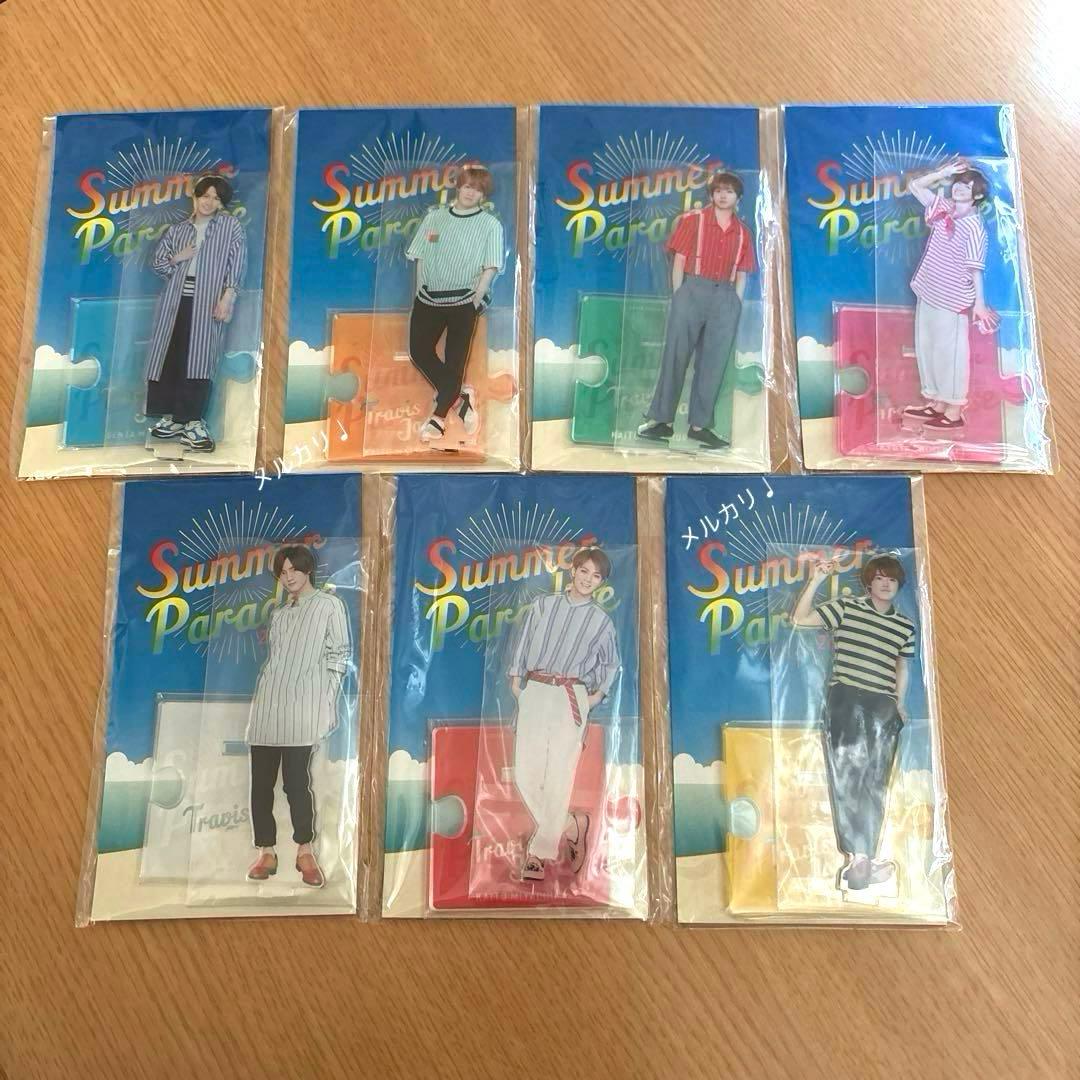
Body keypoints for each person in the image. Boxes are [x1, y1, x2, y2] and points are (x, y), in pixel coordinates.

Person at [791, 553, 917, 892]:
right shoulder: (847, 608)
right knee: (847, 773)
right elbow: (800, 619)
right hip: (846, 696)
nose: (885, 584)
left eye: (891, 579)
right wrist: (816, 579)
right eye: (879, 578)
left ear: (899, 584)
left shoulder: (904, 626)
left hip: (883, 703)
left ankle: (864, 858)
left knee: (876, 778)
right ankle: (859, 858)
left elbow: (902, 666)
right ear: (868, 583)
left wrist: (899, 703)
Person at [506, 546, 620, 882]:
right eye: (584, 571)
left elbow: (610, 664)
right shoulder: (543, 605)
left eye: (596, 576)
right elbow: (524, 642)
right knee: (526, 774)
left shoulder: (602, 621)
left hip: (570, 697)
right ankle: (572, 824)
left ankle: (538, 855)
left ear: (601, 582)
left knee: (559, 775)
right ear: (573, 571)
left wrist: (595, 696)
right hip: (536, 689)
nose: (588, 579)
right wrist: (516, 682)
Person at [245, 545, 350, 888]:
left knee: (295, 784)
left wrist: (328, 704)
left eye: (294, 570)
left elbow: (339, 655)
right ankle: (266, 851)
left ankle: (305, 850)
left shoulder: (329, 605)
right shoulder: (279, 614)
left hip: (302, 710)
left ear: (308, 570)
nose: (288, 577)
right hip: (267, 707)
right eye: (283, 572)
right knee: (261, 785)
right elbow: (275, 662)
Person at [637, 170, 755, 450]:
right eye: (718, 190)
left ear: (738, 197)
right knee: (675, 356)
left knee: (714, 362)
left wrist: (736, 303)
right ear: (712, 194)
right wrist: (679, 294)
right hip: (692, 290)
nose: (723, 195)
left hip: (725, 297)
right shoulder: (693, 221)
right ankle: (661, 421)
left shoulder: (743, 232)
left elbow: (742, 272)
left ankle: (700, 427)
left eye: (729, 191)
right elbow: (679, 259)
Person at [145, 173, 247, 453]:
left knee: (200, 358)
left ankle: (192, 420)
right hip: (174, 302)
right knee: (169, 355)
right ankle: (172, 417)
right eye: (205, 196)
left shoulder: (230, 226)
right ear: (196, 196)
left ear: (221, 203)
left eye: (216, 198)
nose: (209, 202)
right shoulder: (178, 230)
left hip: (208, 303)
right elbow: (158, 264)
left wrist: (228, 297)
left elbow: (237, 263)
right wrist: (177, 258)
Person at [405, 162, 505, 445]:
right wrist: (419, 289)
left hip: (464, 301)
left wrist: (476, 298)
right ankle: (460, 397)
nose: (471, 193)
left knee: (455, 359)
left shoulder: (490, 225)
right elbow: (420, 255)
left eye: (478, 189)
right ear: (459, 186)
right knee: (419, 351)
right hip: (428, 298)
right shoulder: (434, 218)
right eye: (468, 186)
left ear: (484, 194)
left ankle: (437, 419)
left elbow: (492, 265)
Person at [903, 159, 991, 436]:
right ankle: (937, 403)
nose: (960, 189)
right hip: (928, 289)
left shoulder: (974, 229)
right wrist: (943, 173)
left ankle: (953, 412)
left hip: (952, 299)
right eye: (958, 184)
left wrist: (979, 303)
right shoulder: (943, 210)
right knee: (927, 347)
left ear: (977, 195)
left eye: (967, 187)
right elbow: (915, 186)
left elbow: (975, 269)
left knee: (950, 353)